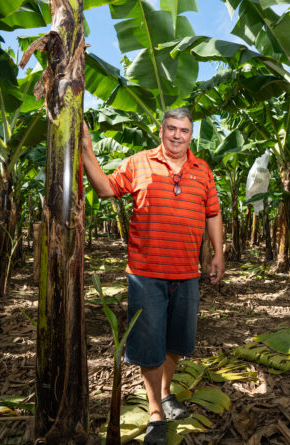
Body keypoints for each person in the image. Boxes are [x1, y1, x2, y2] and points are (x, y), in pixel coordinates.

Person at [81, 108, 225, 444]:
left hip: (188, 272)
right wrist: (87, 151)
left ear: (192, 135)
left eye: (184, 131)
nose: (177, 135)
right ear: (161, 130)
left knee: (176, 342)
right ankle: (155, 413)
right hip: (146, 274)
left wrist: (219, 252)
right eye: (171, 128)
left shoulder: (202, 170)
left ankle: (165, 392)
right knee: (149, 346)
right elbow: (105, 189)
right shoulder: (139, 162)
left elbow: (213, 213)